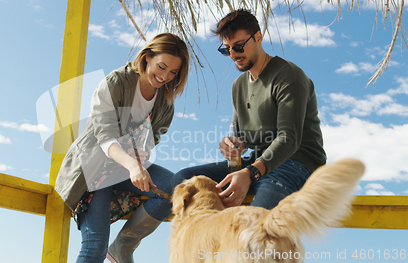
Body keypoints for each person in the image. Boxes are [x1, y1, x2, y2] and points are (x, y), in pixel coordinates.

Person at [54, 33, 189, 263]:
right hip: (94, 170)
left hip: (126, 170)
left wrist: (142, 152)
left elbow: (155, 136)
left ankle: (122, 246)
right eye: (162, 66)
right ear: (147, 57)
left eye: (173, 72)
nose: (165, 76)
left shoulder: (165, 102)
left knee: (175, 189)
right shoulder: (116, 82)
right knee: (95, 246)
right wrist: (132, 164)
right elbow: (104, 136)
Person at [172, 9, 326, 210]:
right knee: (183, 181)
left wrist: (250, 174)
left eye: (239, 46)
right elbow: (239, 136)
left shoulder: (289, 76)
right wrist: (232, 143)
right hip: (258, 161)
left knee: (253, 225)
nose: (233, 55)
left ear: (259, 37)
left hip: (297, 162)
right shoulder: (238, 85)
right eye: (226, 49)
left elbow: (289, 139)